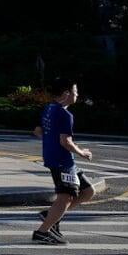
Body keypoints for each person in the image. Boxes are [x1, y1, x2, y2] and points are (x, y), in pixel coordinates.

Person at [34, 80, 93, 245]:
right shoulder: (65, 115)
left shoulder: (49, 108)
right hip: (62, 161)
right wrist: (82, 152)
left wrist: (51, 142)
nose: (77, 95)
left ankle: (51, 215)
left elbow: (38, 131)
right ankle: (42, 232)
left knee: (88, 190)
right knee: (65, 197)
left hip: (58, 158)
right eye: (75, 91)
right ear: (66, 93)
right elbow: (65, 142)